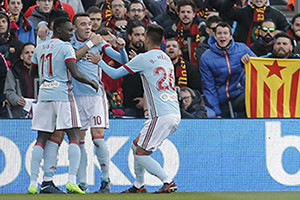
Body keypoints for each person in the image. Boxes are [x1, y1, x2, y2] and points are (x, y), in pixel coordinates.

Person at [88, 23, 181, 193]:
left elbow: (115, 74)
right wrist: (133, 58)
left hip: (161, 114)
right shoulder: (165, 57)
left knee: (140, 153)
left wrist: (99, 61)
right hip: (173, 111)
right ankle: (139, 185)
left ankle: (168, 181)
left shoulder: (143, 58)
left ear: (147, 39)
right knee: (136, 146)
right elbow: (147, 68)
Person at [28, 17, 98, 194]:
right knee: (74, 135)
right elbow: (74, 72)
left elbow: (32, 71)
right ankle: (72, 180)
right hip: (62, 95)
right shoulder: (66, 47)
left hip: (44, 95)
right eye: (68, 30)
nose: (71, 33)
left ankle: (34, 183)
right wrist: (91, 82)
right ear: (58, 30)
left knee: (42, 138)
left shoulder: (40, 47)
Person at [71, 13, 128, 193]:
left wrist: (122, 49)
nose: (88, 27)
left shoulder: (99, 42)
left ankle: (105, 181)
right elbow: (71, 58)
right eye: (83, 24)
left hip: (96, 97)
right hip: (76, 97)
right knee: (79, 141)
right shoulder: (70, 42)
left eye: (90, 24)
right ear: (75, 27)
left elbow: (123, 62)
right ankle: (82, 183)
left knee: (97, 138)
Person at [200, 22, 256, 118]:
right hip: (221, 100)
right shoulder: (206, 57)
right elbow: (209, 87)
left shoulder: (242, 49)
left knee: (255, 96)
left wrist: (246, 64)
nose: (222, 36)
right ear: (215, 36)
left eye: (225, 33)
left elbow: (258, 68)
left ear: (230, 36)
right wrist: (217, 112)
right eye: (219, 33)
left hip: (240, 95)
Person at [209, 0, 290, 46]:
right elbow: (225, 12)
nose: (259, 0)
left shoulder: (276, 14)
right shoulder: (243, 12)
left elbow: (288, 29)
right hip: (244, 53)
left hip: (268, 53)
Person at [165, 0, 206, 66]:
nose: (185, 15)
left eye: (188, 12)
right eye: (183, 12)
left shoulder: (202, 29)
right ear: (178, 13)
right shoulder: (172, 30)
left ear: (194, 14)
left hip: (199, 66)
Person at [4, 42, 36, 118]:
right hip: (19, 113)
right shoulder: (13, 71)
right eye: (27, 53)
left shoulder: (42, 72)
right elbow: (8, 91)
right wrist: (16, 100)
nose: (30, 55)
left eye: (33, 52)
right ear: (21, 56)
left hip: (40, 112)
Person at [122, 20, 146, 118]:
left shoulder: (149, 53)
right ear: (129, 36)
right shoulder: (122, 53)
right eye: (137, 35)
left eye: (142, 35)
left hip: (147, 105)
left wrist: (145, 101)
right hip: (126, 105)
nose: (140, 38)